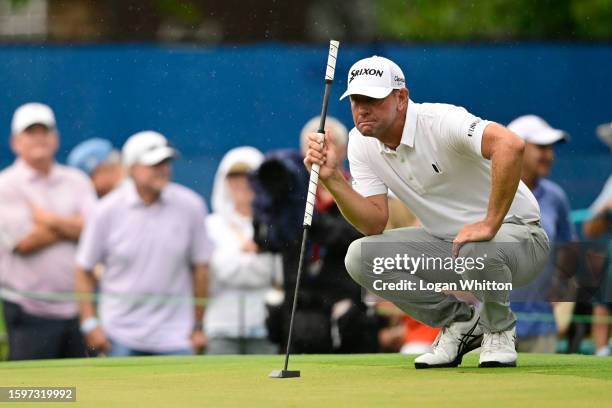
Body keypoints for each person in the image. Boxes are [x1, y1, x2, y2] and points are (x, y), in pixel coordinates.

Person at [304, 56, 550, 368]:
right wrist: (333, 178)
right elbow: (374, 222)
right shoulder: (360, 143)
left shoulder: (439, 121)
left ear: (401, 98)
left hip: (520, 240)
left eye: (373, 99)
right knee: (361, 257)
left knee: (476, 248)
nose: (363, 108)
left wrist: (489, 223)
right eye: (356, 99)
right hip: (452, 247)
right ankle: (461, 324)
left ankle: (498, 328)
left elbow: (510, 144)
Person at [75, 131, 212, 356]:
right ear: (131, 168)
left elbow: (202, 269)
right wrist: (89, 323)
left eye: (165, 162)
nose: (163, 169)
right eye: (153, 164)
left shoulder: (192, 206)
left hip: (176, 337)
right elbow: (83, 269)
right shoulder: (105, 211)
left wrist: (198, 326)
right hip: (118, 335)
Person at [0, 102, 96, 360]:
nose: (39, 138)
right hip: (27, 311)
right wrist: (73, 225)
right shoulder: (5, 185)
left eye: (45, 131)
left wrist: (48, 220)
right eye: (31, 132)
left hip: (78, 310)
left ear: (56, 138)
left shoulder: (77, 181)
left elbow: (95, 232)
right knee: (33, 395)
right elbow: (25, 242)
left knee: (81, 395)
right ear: (15, 142)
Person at [507, 114, 574, 353]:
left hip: (542, 326)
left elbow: (568, 248)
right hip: (487, 326)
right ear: (517, 149)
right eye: (542, 147)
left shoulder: (556, 197)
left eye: (551, 148)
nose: (550, 155)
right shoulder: (485, 191)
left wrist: (560, 287)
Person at [204, 146, 280, 354]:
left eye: (249, 176)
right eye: (234, 177)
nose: (241, 183)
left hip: (266, 327)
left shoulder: (275, 225)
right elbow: (216, 270)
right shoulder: (210, 226)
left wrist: (246, 257)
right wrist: (255, 256)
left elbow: (277, 273)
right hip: (221, 328)